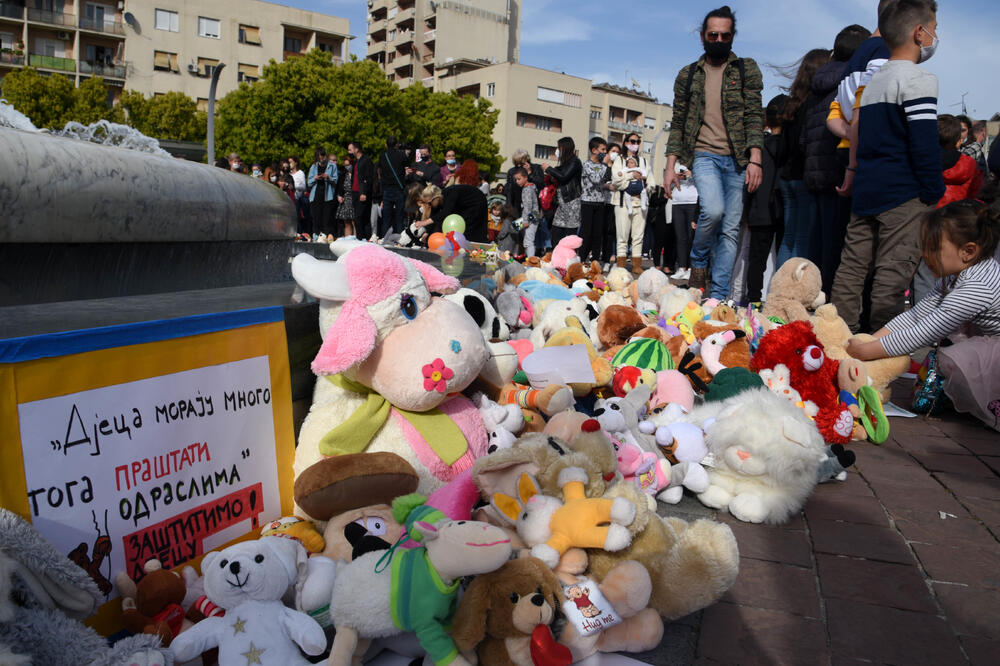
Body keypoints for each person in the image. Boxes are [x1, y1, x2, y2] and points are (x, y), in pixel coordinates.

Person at [831, 0, 945, 333]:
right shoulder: (919, 79)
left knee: (851, 270)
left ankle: (838, 341)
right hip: (903, 195)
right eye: (934, 29)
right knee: (891, 278)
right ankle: (884, 353)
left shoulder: (873, 82)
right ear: (919, 33)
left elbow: (858, 131)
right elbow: (923, 144)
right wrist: (932, 190)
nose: (936, 35)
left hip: (867, 189)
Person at [845, 196, 1000, 431]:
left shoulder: (977, 287)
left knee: (953, 358)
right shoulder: (956, 274)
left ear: (968, 251)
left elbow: (921, 334)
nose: (924, 255)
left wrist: (863, 351)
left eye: (933, 248)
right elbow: (916, 316)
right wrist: (868, 341)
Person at [664, 5, 764, 297]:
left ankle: (719, 296)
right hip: (703, 153)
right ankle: (697, 264)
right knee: (714, 210)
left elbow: (754, 116)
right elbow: (679, 121)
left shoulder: (746, 70)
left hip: (738, 160)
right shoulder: (688, 75)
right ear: (702, 36)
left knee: (731, 229)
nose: (718, 40)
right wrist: (670, 166)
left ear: (732, 36)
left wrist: (755, 158)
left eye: (725, 35)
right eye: (713, 35)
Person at [803, 24, 872, 295]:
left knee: (816, 244)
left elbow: (804, 138)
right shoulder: (851, 83)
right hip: (839, 171)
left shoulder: (816, 86)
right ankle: (827, 302)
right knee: (836, 246)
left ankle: (809, 297)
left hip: (814, 174)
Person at [777, 48, 830, 267]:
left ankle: (779, 286)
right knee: (802, 238)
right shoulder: (816, 104)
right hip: (804, 176)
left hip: (787, 177)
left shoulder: (792, 105)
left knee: (788, 237)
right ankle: (794, 290)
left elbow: (783, 147)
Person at [744, 95, 788, 305]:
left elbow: (749, 182)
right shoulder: (792, 147)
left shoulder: (757, 148)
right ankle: (779, 301)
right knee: (784, 259)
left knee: (756, 260)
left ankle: (754, 300)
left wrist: (747, 213)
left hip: (759, 210)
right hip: (783, 208)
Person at [613, 132, 658, 274]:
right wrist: (632, 176)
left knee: (638, 236)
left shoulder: (644, 161)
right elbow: (616, 181)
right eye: (632, 141)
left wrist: (646, 189)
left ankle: (636, 264)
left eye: (638, 141)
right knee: (622, 235)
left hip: (640, 201)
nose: (636, 144)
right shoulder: (619, 161)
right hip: (622, 202)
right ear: (626, 143)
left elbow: (651, 181)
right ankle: (621, 265)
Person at [414, 182, 488, 243]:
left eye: (429, 203)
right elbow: (434, 215)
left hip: (476, 202)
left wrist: (424, 222)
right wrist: (427, 232)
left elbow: (445, 214)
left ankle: (473, 246)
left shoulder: (450, 195)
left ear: (436, 198)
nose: (428, 205)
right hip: (463, 205)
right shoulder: (438, 201)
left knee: (467, 228)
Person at [937, 115, 984, 208]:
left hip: (928, 213)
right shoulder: (969, 163)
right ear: (958, 139)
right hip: (958, 213)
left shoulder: (924, 161)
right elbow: (976, 191)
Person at [580, 137, 612, 264]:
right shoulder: (587, 164)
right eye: (603, 149)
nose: (605, 152)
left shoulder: (602, 165)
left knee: (597, 234)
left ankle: (595, 260)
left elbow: (604, 181)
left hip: (600, 202)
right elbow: (596, 179)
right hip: (587, 202)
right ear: (594, 150)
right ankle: (582, 259)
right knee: (586, 232)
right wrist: (605, 164)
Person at [546, 136, 583, 246]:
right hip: (562, 202)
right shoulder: (565, 163)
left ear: (565, 148)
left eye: (559, 148)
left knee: (570, 233)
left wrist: (548, 169)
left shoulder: (575, 161)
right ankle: (556, 255)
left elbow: (563, 177)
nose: (557, 150)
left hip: (571, 201)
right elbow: (560, 174)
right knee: (555, 231)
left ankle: (570, 258)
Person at [669, 161, 699, 282]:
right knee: (680, 237)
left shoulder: (698, 163)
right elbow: (668, 181)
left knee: (692, 237)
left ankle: (691, 268)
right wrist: (676, 176)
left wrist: (692, 174)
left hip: (693, 202)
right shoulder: (675, 164)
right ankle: (682, 268)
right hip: (677, 202)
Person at [378, 136, 408, 237]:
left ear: (386, 145)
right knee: (399, 216)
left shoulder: (383, 156)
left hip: (387, 189)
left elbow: (380, 170)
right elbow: (406, 165)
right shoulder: (401, 155)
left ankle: (385, 237)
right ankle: (400, 238)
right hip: (399, 188)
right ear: (396, 145)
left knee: (386, 217)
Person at [307, 147, 339, 236]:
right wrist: (315, 178)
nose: (321, 160)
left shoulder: (332, 166)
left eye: (323, 157)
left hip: (328, 196)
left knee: (327, 219)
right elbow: (309, 183)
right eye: (319, 158)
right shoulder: (313, 166)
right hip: (316, 195)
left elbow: (336, 181)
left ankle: (327, 236)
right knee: (316, 218)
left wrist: (328, 177)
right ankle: (316, 236)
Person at [348, 142, 375, 240]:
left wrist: (364, 192)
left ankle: (362, 238)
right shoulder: (356, 162)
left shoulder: (366, 160)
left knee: (360, 217)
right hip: (355, 192)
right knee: (359, 217)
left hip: (362, 193)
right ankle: (363, 237)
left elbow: (369, 178)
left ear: (357, 149)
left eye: (350, 149)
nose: (349, 152)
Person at [601, 143, 621, 270]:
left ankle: (613, 259)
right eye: (613, 151)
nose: (615, 154)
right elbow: (601, 180)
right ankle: (603, 259)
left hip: (616, 202)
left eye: (617, 152)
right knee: (603, 231)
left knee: (613, 232)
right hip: (604, 202)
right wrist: (606, 164)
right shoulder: (603, 166)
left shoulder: (619, 167)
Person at [513, 167, 541, 257]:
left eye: (519, 179)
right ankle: (524, 255)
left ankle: (530, 260)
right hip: (533, 215)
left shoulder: (527, 189)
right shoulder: (530, 187)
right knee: (513, 227)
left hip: (531, 216)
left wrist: (526, 221)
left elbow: (528, 207)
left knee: (529, 239)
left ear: (526, 177)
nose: (517, 181)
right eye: (516, 179)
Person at [336, 154, 356, 238]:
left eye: (348, 165)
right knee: (346, 222)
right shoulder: (343, 174)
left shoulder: (356, 174)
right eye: (345, 165)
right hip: (345, 199)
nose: (347, 167)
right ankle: (347, 239)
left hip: (354, 199)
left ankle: (355, 238)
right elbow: (339, 187)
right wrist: (339, 196)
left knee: (354, 222)